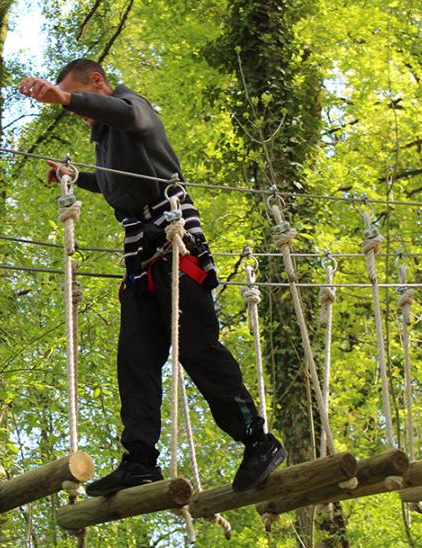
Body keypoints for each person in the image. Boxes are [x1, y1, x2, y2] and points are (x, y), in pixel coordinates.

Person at [18, 59, 285, 496]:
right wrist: (75, 176)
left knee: (196, 347)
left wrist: (64, 97)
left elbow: (127, 115)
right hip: (140, 250)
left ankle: (258, 440)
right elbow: (115, 187)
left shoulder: (130, 106)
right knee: (135, 359)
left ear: (97, 83)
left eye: (79, 100)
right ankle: (140, 459)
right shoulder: (108, 140)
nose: (78, 113)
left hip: (174, 237)